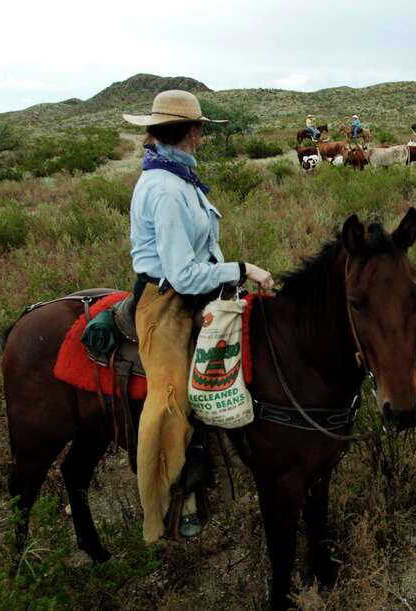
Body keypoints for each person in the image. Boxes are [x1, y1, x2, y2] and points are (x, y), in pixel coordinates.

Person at [123, 90, 274, 543]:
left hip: (200, 292)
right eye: (201, 128)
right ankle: (165, 503)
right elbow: (184, 275)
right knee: (171, 400)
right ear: (192, 132)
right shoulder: (166, 189)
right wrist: (244, 270)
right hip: (167, 304)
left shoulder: (178, 177)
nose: (203, 134)